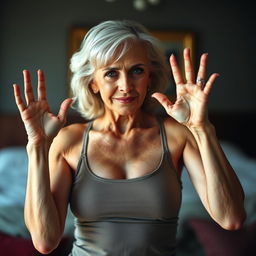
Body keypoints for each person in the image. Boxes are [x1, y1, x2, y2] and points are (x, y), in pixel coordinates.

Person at [13, 20, 246, 256]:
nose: (126, 86)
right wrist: (37, 146)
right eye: (111, 73)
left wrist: (202, 128)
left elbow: (231, 219)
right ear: (93, 82)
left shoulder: (178, 135)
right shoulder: (69, 141)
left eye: (136, 70)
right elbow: (45, 241)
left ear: (149, 76)